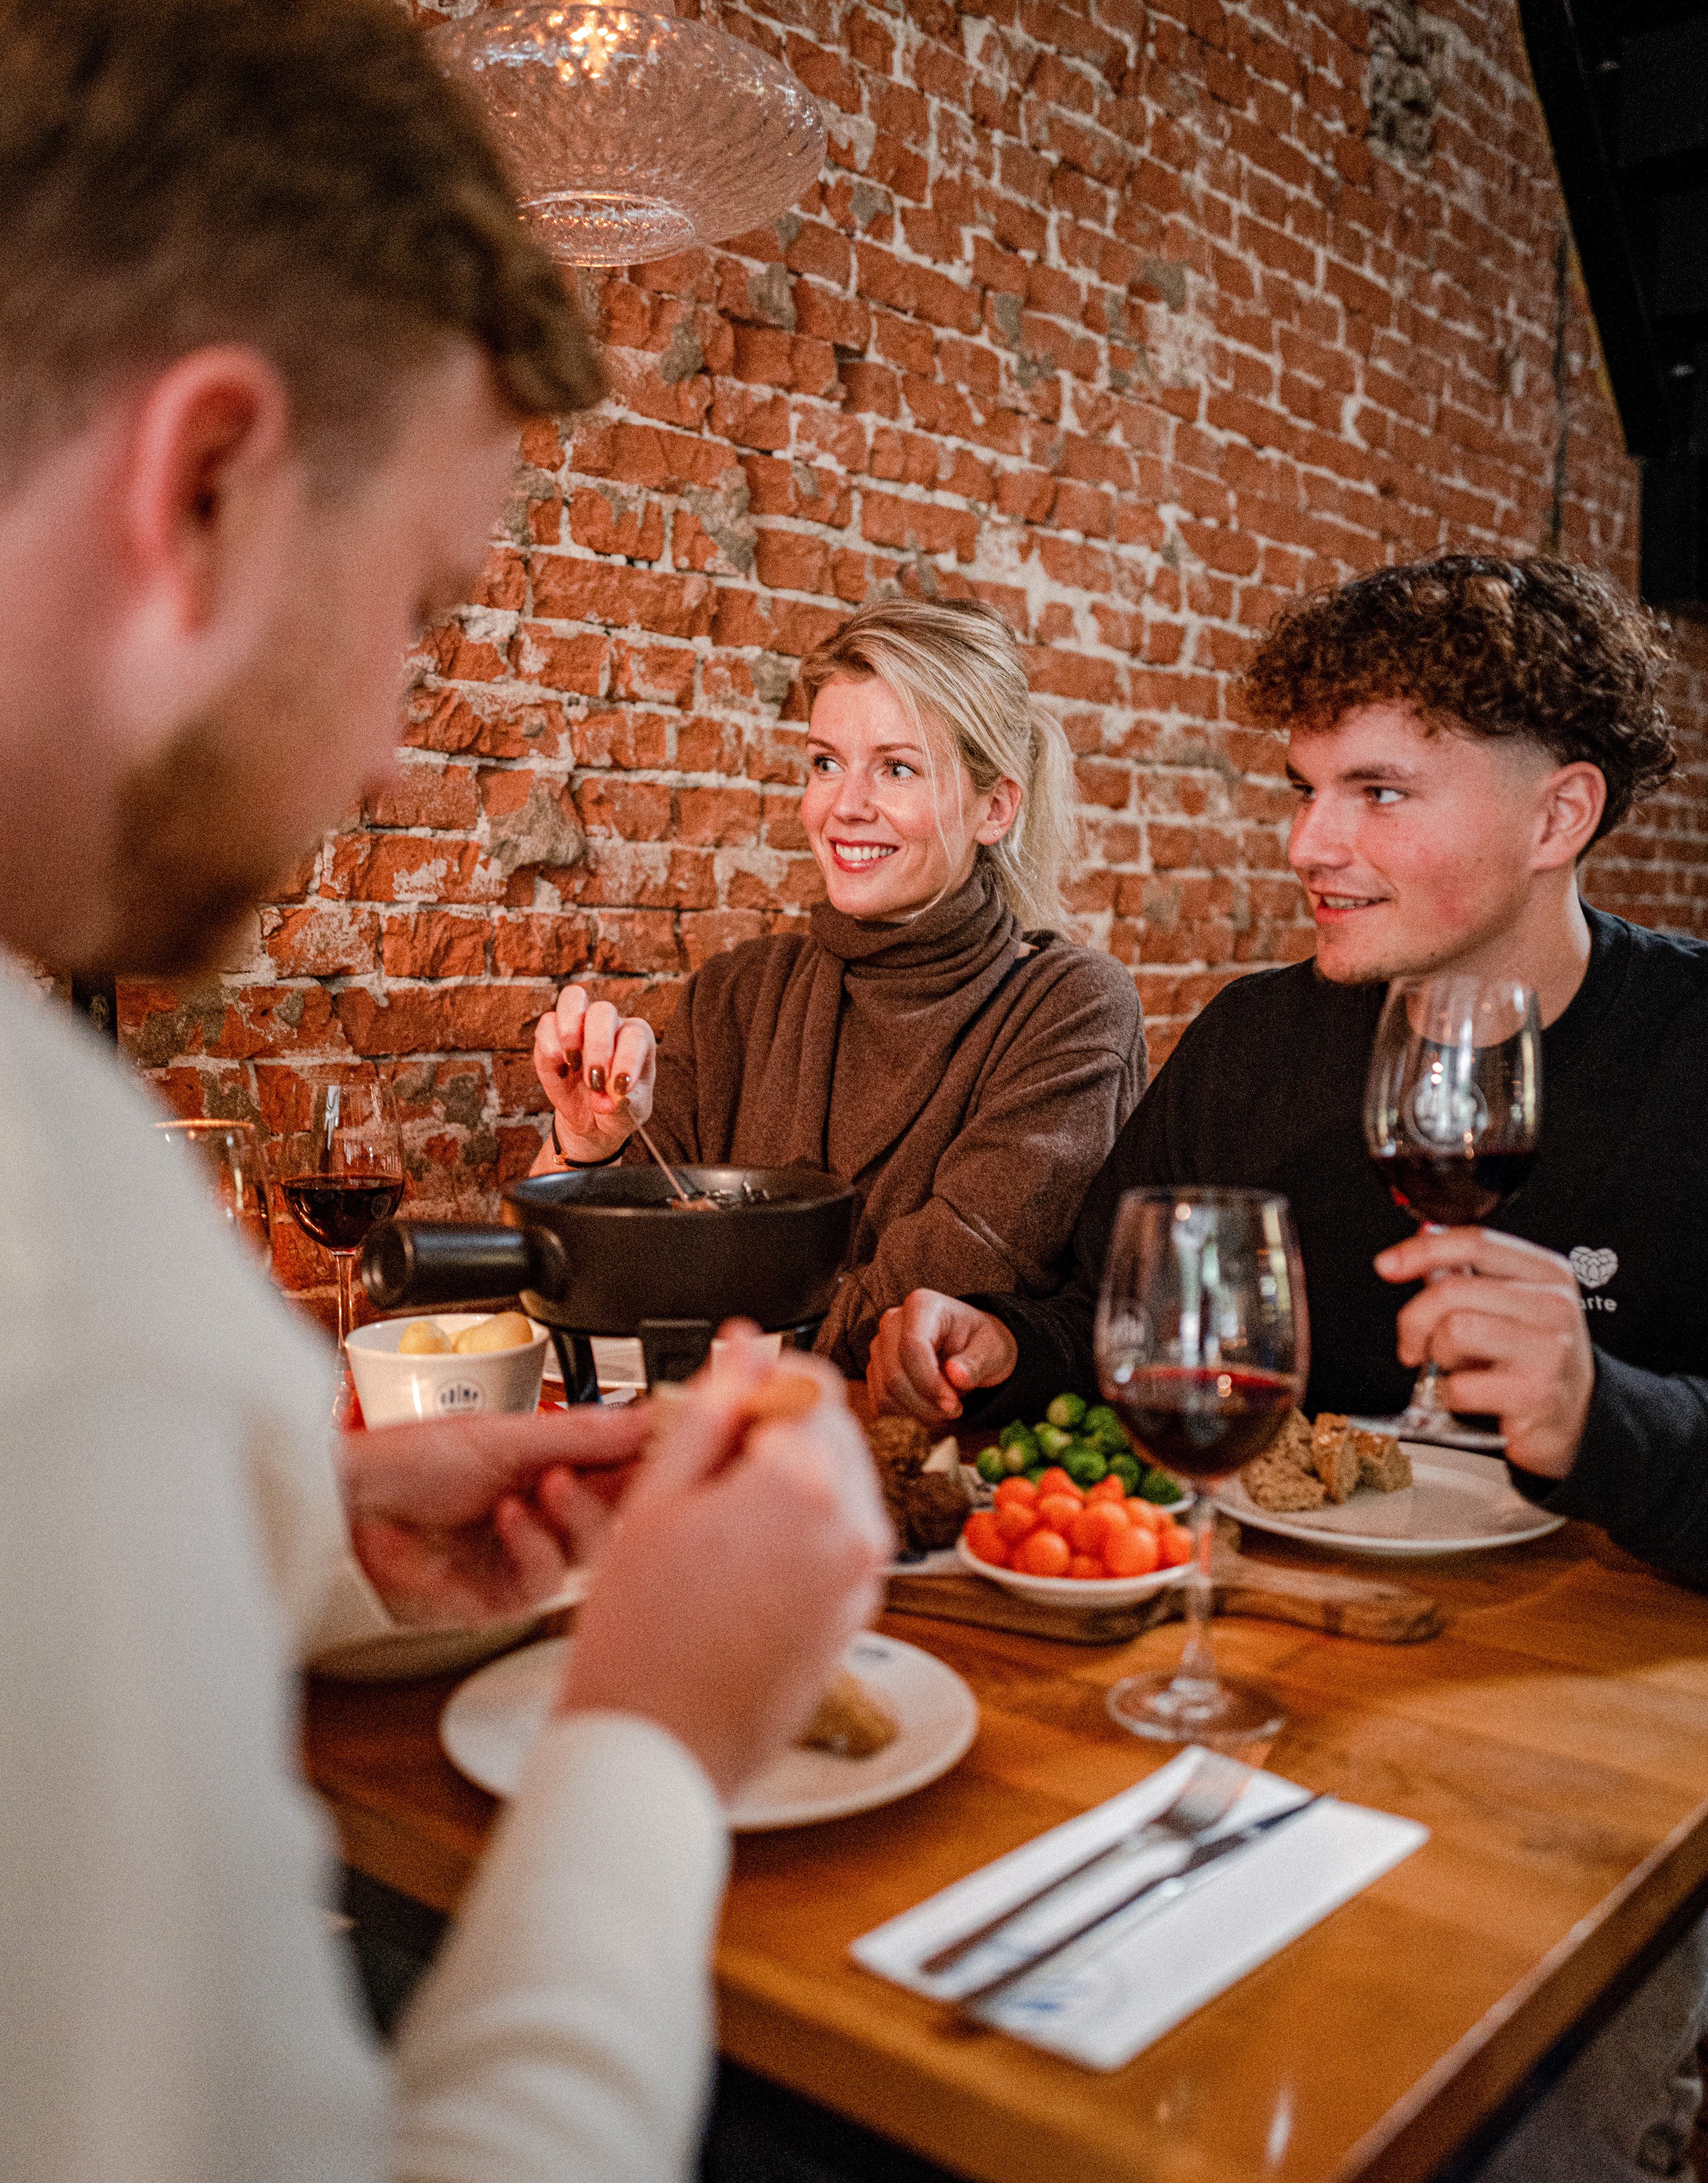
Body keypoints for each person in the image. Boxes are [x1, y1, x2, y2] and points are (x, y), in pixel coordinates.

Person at [0, 6, 890, 2182]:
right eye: (415, 611)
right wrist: (658, 1748)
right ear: (201, 480)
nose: (397, 753)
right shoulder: (59, 1241)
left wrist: (304, 1526)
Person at [869, 551, 1708, 2183]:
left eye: (1376, 789)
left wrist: (1607, 1416)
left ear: (1559, 815)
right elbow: (1106, 1329)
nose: (1304, 843)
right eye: (1301, 787)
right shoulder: (1264, 1044)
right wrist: (1001, 1345)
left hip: (1600, 1760)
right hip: (1276, 1681)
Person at [526, 596, 1149, 1372]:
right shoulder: (737, 995)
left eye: (896, 768)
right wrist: (585, 1148)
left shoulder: (1070, 1009)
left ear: (995, 808)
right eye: (826, 763)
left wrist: (690, 1327)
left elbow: (915, 1313)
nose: (844, 808)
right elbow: (588, 1297)